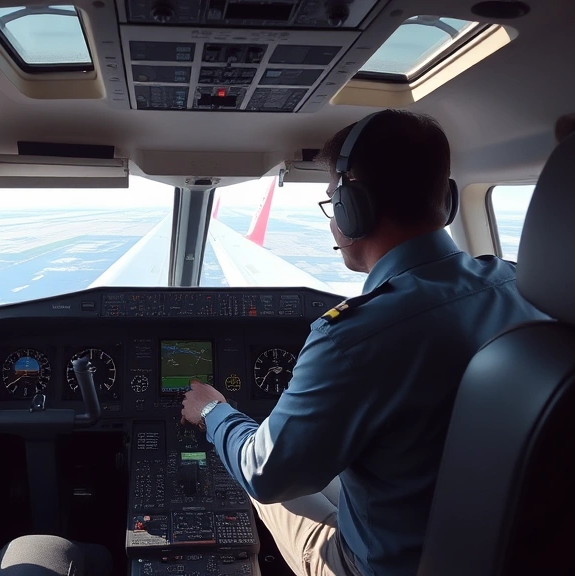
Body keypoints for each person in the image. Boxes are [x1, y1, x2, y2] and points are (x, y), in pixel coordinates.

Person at [181, 110, 545, 576]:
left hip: (387, 567)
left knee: (258, 488)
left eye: (334, 201)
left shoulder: (352, 338)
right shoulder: (521, 286)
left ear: (355, 206)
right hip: (505, 549)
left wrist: (213, 412)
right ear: (449, 200)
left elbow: (264, 473)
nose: (334, 216)